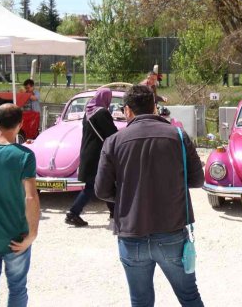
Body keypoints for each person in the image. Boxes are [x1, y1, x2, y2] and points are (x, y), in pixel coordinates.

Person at [95, 85, 204, 306]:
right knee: (189, 296)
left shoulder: (113, 142)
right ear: (155, 107)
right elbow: (197, 180)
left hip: (131, 233)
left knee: (140, 300)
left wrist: (129, 196)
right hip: (171, 231)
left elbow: (102, 190)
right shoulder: (178, 135)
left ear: (127, 111)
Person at [0, 103, 40, 305]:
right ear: (21, 124)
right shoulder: (24, 155)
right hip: (16, 236)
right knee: (18, 288)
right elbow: (30, 197)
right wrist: (32, 234)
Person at [64, 88, 118, 227]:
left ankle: (114, 211)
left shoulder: (88, 113)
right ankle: (73, 213)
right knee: (92, 186)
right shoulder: (102, 113)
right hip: (97, 154)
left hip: (88, 153)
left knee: (106, 182)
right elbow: (112, 134)